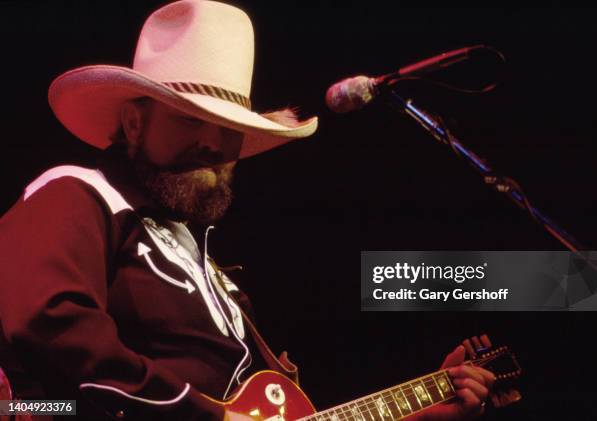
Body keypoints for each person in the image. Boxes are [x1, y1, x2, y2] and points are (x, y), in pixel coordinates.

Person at [0, 1, 493, 420]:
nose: (213, 146)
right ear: (133, 122)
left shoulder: (212, 272)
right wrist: (206, 413)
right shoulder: (80, 193)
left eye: (228, 129)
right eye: (191, 120)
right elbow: (50, 322)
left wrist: (423, 412)